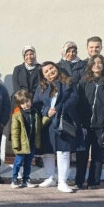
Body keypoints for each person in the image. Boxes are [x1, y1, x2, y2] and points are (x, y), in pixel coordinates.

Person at [33, 61, 80, 193]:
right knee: (48, 151)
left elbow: (74, 98)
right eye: (46, 71)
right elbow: (37, 104)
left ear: (56, 68)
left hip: (63, 121)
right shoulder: (41, 87)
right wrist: (46, 111)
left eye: (51, 68)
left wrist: (59, 109)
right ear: (43, 76)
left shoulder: (68, 82)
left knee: (63, 151)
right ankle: (50, 178)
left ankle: (62, 181)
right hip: (48, 123)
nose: (50, 72)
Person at [75, 55, 104, 189]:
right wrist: (78, 122)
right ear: (90, 66)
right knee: (82, 155)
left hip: (101, 125)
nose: (97, 65)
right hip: (85, 124)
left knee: (97, 155)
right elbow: (77, 103)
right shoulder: (83, 81)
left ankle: (93, 181)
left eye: (100, 63)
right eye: (94, 63)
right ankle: (79, 181)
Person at [10, 89, 42, 188]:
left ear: (31, 100)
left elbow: (38, 125)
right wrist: (16, 144)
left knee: (28, 162)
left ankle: (26, 179)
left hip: (31, 142)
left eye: (27, 101)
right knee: (18, 162)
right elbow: (15, 131)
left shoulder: (35, 113)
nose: (25, 105)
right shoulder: (17, 114)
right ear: (19, 104)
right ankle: (14, 179)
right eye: (22, 103)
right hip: (21, 144)